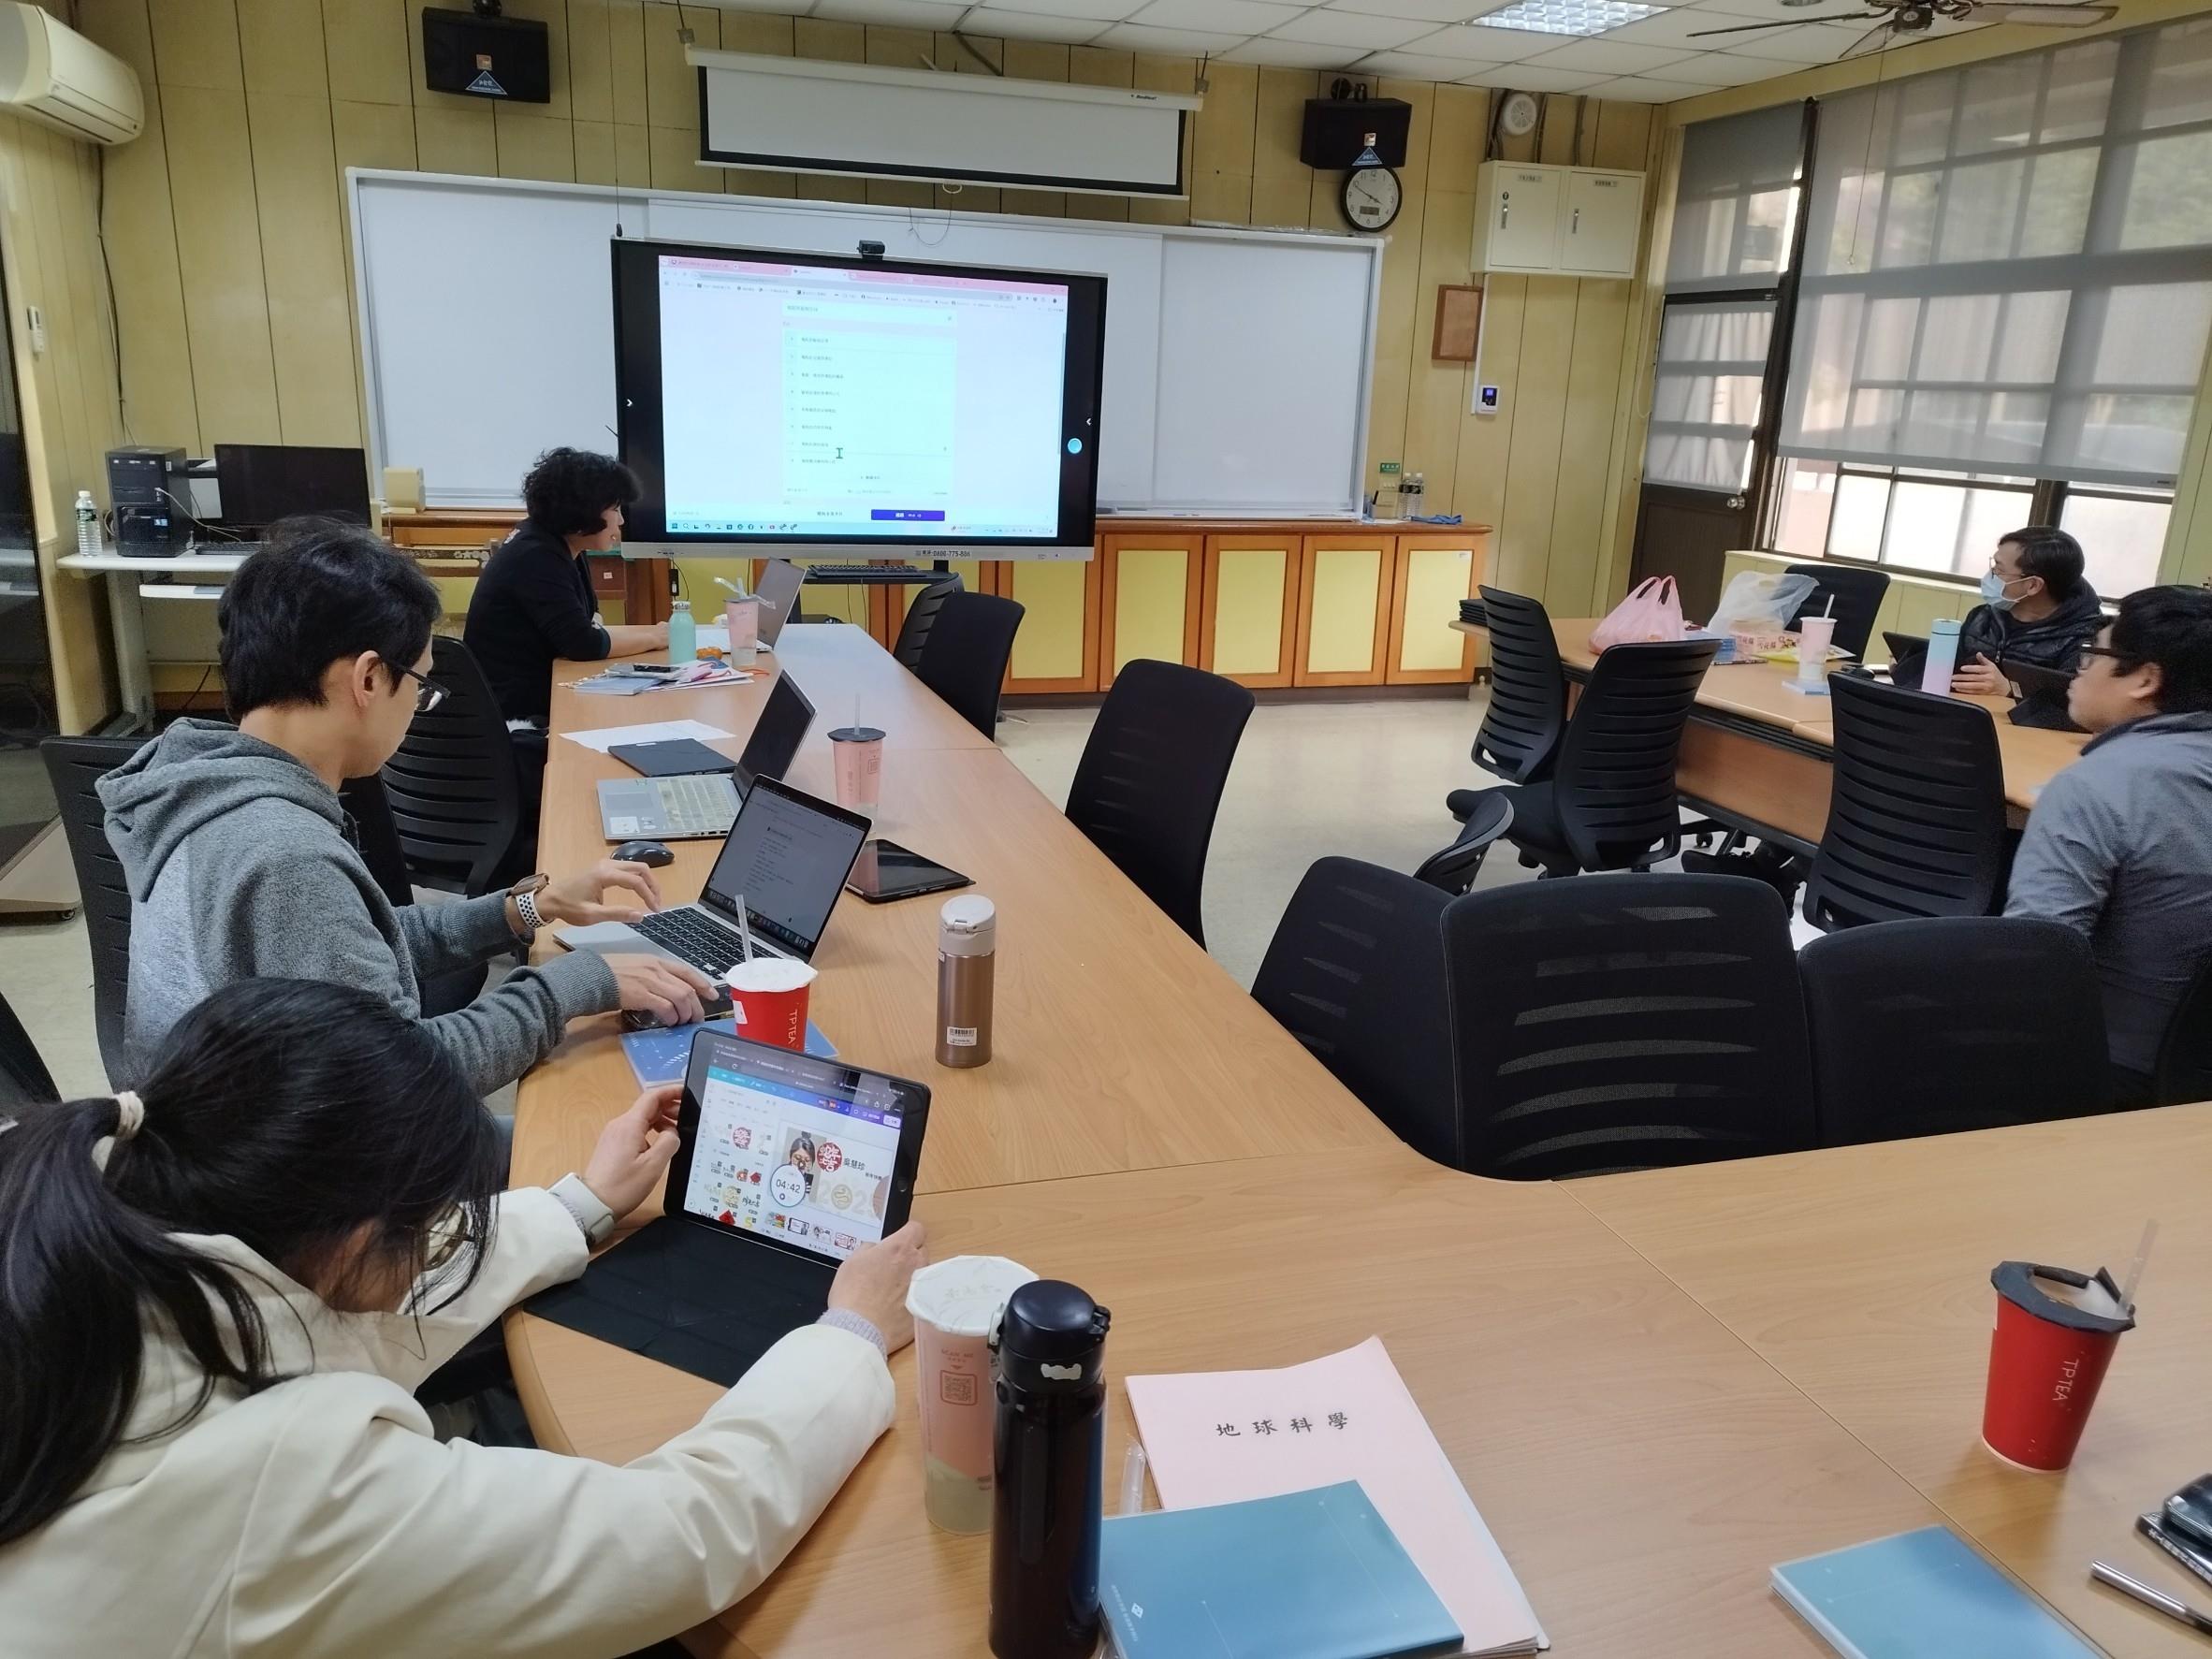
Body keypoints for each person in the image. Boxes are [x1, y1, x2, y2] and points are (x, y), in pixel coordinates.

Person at [0, 979, 926, 1657]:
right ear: (355, 1242)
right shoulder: (289, 1486)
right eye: (432, 1223)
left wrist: (581, 1203)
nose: (442, 1242)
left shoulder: (89, 1215)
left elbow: (331, 1315)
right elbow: (684, 1534)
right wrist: (847, 1337)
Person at [99, 517, 716, 1096]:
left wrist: (528, 906)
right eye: (421, 685)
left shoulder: (206, 783)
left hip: (249, 1123)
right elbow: (401, 1078)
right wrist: (577, 982)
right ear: (368, 679)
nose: (418, 706)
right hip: (287, 1164)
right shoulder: (285, 855)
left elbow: (366, 942)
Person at [2006, 584, 2212, 1101]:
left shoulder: (2096, 787)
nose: (2079, 670)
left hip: (2116, 1075)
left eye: (2093, 654)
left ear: (2145, 679)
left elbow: (2035, 966)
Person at [465, 447, 668, 726]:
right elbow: (583, 643)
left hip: (536, 697)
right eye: (615, 509)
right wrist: (654, 638)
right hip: (516, 719)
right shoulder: (535, 556)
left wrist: (654, 633)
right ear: (584, 509)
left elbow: (588, 626)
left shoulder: (562, 546)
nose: (621, 521)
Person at [1890, 528, 2105, 728]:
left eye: (1999, 570)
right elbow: (1954, 673)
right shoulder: (1983, 616)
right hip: (1964, 724)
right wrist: (1912, 666)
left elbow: (2076, 712)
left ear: (2033, 585)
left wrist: (2011, 690)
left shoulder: (2085, 638)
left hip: (2026, 741)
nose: (1990, 575)